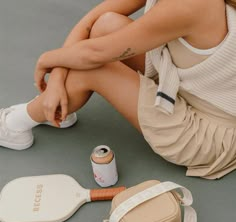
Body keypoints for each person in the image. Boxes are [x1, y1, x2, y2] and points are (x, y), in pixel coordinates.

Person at [1, 0, 236, 179]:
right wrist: (57, 79)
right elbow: (93, 20)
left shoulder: (192, 4)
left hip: (207, 134)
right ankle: (56, 104)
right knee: (107, 24)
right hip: (184, 81)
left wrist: (46, 59)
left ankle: (17, 124)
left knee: (92, 68)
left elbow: (95, 55)